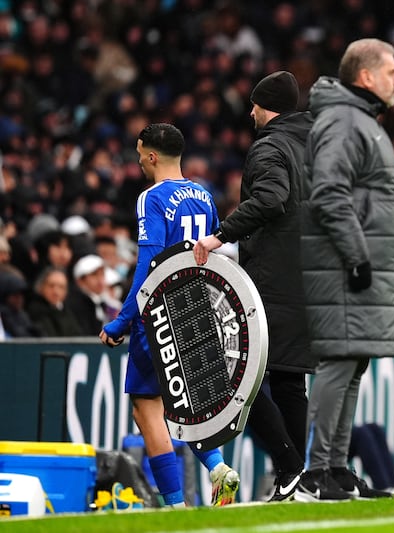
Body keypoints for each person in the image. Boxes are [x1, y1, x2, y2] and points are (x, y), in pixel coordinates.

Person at [99, 123, 240, 508]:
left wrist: (122, 320)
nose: (139, 161)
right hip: (196, 308)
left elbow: (149, 263)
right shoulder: (205, 196)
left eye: (139, 153)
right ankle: (218, 468)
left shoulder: (151, 198)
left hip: (158, 311)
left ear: (150, 155)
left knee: (148, 410)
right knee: (190, 405)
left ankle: (175, 506)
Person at [194, 70, 313, 502]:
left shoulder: (270, 146)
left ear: (267, 107)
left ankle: (289, 465)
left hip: (274, 278)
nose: (250, 112)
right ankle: (295, 481)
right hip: (312, 275)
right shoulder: (316, 143)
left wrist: (218, 235)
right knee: (289, 379)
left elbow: (270, 199)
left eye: (254, 104)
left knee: (239, 377)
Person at [297, 38, 394, 502]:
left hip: (361, 264)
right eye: (391, 70)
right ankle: (313, 473)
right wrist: (358, 255)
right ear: (366, 76)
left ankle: (336, 469)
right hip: (345, 266)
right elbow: (328, 193)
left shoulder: (360, 120)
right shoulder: (343, 120)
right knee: (339, 362)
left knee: (353, 362)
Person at [66, 254, 119, 336]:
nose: (100, 279)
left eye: (102, 274)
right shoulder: (74, 305)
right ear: (80, 280)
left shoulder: (107, 304)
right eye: (94, 275)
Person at [26, 266, 83, 337]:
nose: (56, 292)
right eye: (51, 286)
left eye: (61, 287)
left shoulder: (67, 310)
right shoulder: (36, 311)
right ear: (41, 287)